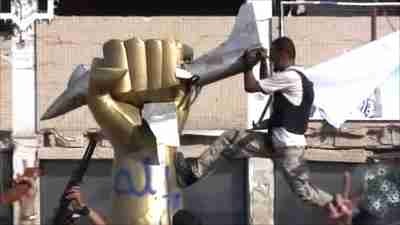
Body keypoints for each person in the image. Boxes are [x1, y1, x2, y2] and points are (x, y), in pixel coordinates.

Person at [174, 36, 335, 210]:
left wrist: (247, 66)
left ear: (284, 53)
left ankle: (334, 203)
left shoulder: (290, 77)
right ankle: (192, 173)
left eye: (273, 56)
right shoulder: (299, 77)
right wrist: (263, 63)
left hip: (289, 148)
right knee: (230, 140)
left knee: (302, 191)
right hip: (275, 143)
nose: (272, 60)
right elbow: (270, 90)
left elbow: (251, 86)